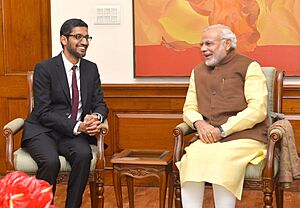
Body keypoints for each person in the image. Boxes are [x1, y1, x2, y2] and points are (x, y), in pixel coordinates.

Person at [176, 24, 269, 208]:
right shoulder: (197, 71)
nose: (203, 49)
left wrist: (222, 130)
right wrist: (199, 123)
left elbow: (258, 109)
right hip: (209, 136)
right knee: (192, 159)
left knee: (222, 160)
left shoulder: (249, 66)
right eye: (201, 44)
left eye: (209, 43)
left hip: (245, 137)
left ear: (227, 43)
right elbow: (189, 107)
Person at [21, 18, 109, 208]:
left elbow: (100, 104)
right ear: (63, 39)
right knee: (50, 162)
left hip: (71, 133)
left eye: (87, 37)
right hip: (43, 131)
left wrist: (96, 117)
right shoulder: (45, 68)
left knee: (84, 155)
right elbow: (43, 112)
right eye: (78, 37)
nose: (84, 42)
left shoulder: (90, 69)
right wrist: (79, 126)